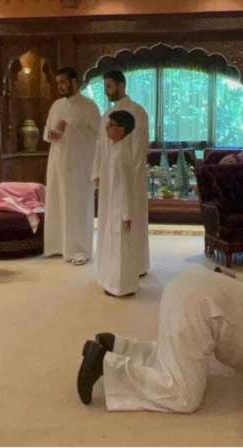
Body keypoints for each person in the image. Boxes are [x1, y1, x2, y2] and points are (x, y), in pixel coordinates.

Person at [76, 269, 243, 431]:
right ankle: (106, 365)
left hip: (184, 284)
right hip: (197, 307)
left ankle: (119, 346)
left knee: (172, 357)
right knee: (183, 396)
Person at [93, 70, 150, 279]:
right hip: (109, 175)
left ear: (121, 85)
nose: (106, 91)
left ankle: (135, 266)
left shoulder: (137, 112)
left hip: (129, 176)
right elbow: (100, 145)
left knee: (130, 219)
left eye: (109, 86)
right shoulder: (106, 115)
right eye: (105, 87)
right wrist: (97, 172)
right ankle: (110, 265)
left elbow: (139, 148)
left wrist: (131, 177)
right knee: (109, 221)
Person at [43, 67, 101, 265]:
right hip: (57, 164)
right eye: (58, 83)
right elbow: (47, 131)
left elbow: (99, 136)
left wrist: (71, 129)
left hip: (79, 166)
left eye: (63, 82)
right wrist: (52, 134)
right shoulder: (56, 105)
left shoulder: (89, 106)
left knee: (78, 206)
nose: (60, 86)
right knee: (57, 202)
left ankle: (79, 249)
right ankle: (57, 246)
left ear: (74, 82)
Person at [93, 111, 139, 297]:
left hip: (120, 209)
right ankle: (115, 283)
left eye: (111, 125)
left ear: (122, 129)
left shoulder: (122, 155)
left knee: (120, 248)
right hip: (114, 206)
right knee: (114, 246)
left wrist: (127, 214)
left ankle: (122, 287)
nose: (107, 128)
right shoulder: (115, 149)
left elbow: (126, 187)